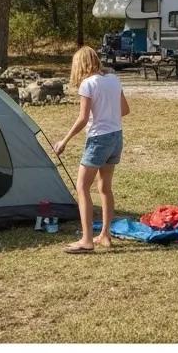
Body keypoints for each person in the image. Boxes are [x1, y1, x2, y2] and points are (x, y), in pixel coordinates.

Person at [53, 45, 130, 253]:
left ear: (80, 65)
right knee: (105, 188)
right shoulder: (113, 79)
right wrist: (108, 114)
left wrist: (64, 141)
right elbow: (125, 110)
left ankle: (86, 240)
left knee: (82, 187)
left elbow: (83, 118)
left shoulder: (88, 84)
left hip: (98, 140)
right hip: (116, 137)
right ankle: (105, 234)